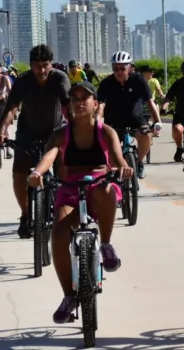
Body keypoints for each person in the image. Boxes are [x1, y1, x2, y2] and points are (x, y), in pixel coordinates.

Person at [28, 82, 134, 324]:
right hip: (71, 190)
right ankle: (68, 296)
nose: (79, 101)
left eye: (85, 97)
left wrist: (123, 168)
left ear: (95, 103)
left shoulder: (106, 132)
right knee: (58, 234)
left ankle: (106, 244)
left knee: (107, 190)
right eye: (74, 97)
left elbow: (117, 157)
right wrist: (37, 173)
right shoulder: (61, 134)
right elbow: (49, 155)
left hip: (99, 184)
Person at [0, 44, 71, 238]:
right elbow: (11, 107)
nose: (42, 70)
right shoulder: (23, 81)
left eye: (46, 65)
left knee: (64, 169)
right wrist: (2, 130)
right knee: (19, 172)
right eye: (38, 66)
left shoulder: (60, 78)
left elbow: (67, 107)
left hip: (56, 131)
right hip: (28, 132)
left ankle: (62, 208)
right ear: (30, 65)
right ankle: (25, 214)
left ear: (51, 64)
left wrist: (76, 130)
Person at [97, 50, 162, 178]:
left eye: (122, 68)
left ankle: (140, 162)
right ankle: (114, 177)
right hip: (114, 120)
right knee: (108, 148)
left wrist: (157, 121)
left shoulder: (138, 80)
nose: (119, 72)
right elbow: (100, 105)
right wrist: (96, 122)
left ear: (130, 68)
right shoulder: (106, 83)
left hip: (135, 118)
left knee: (146, 134)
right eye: (115, 69)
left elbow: (150, 102)